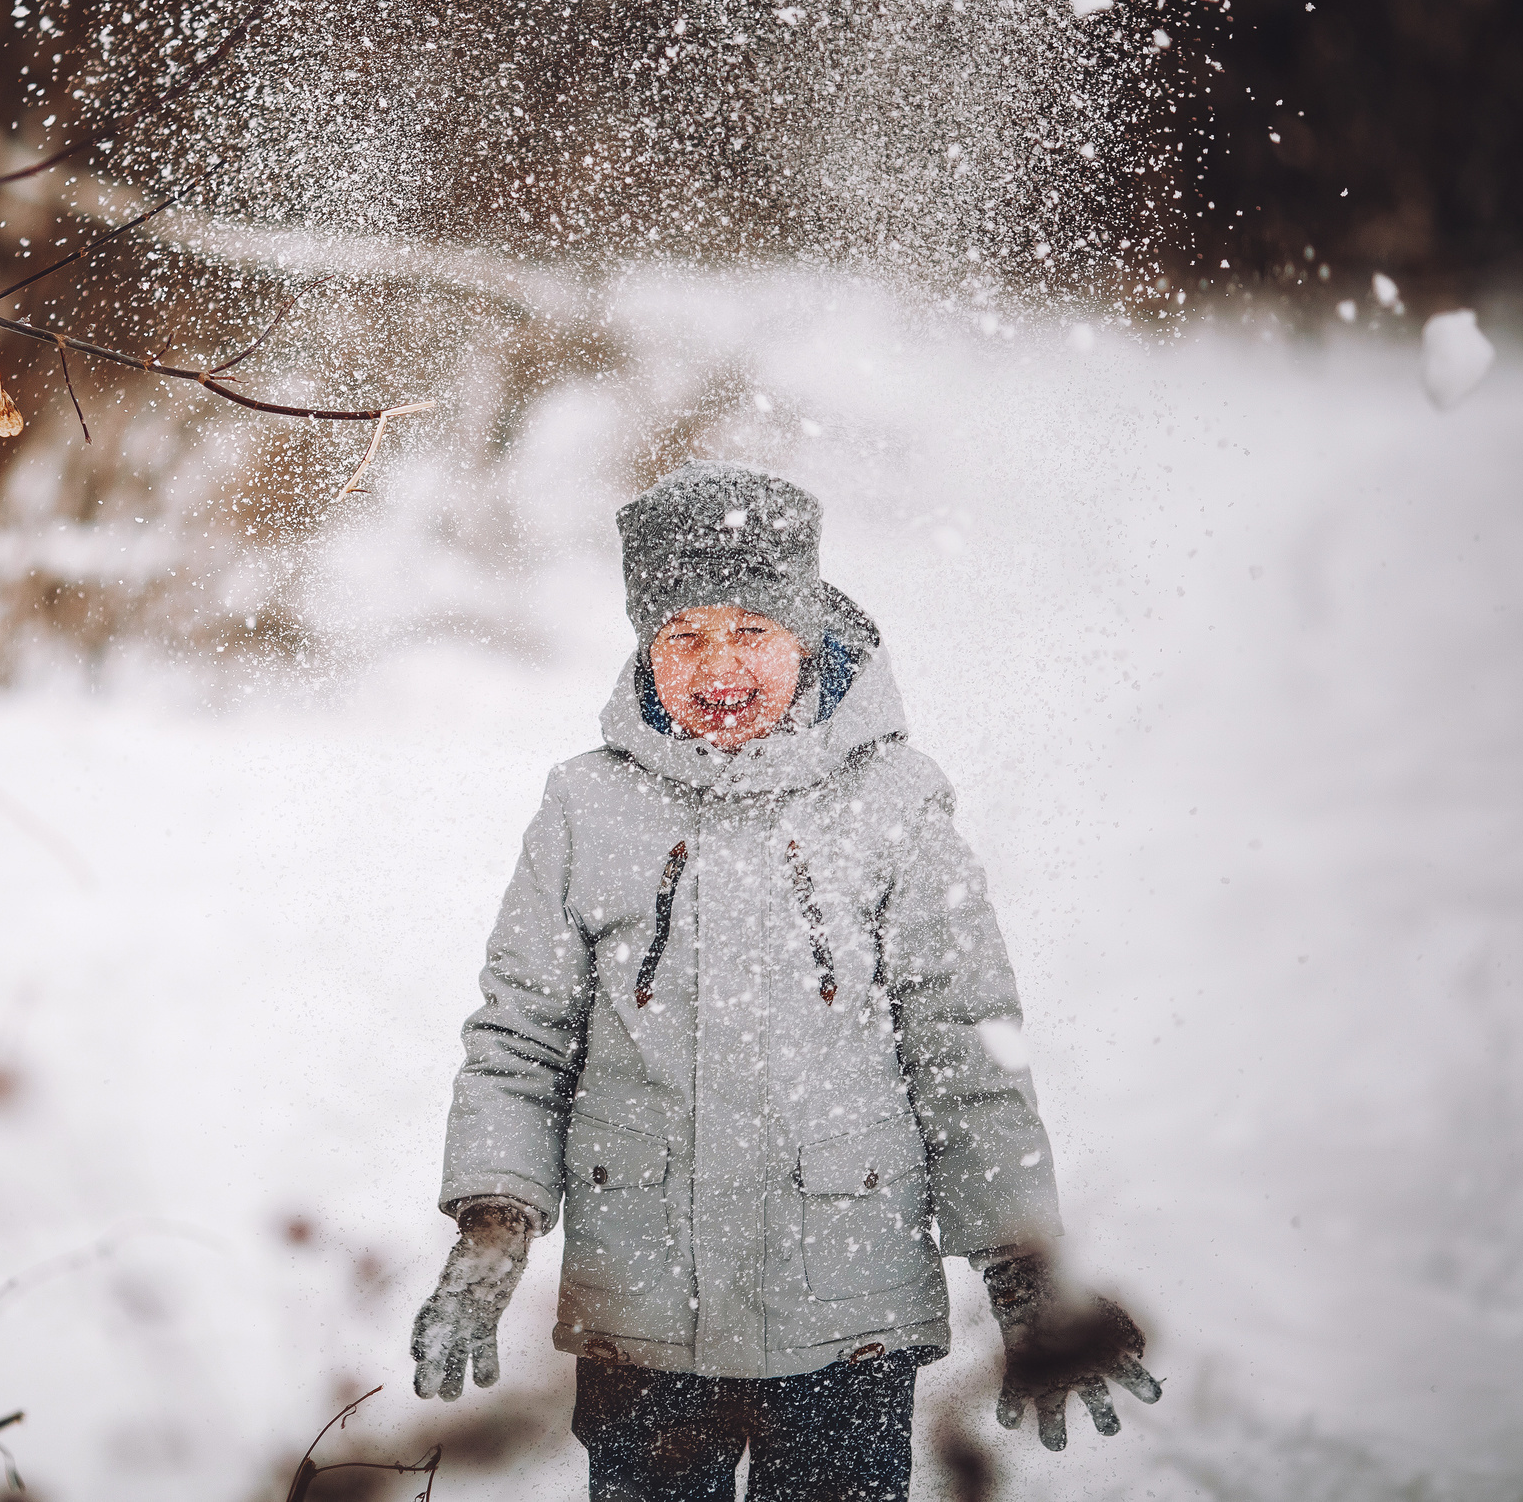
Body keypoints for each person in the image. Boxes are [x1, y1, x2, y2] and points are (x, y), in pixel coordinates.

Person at [410, 463, 1159, 1501]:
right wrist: (495, 1218)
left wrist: (1020, 1261)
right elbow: (519, 1039)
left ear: (805, 634)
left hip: (850, 1308)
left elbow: (966, 1052)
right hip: (641, 1317)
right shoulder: (586, 807)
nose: (718, 665)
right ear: (643, 649)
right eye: (682, 636)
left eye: (750, 630)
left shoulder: (894, 806)